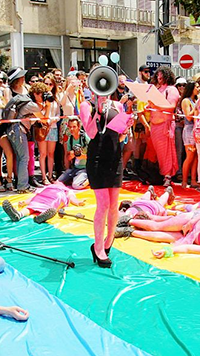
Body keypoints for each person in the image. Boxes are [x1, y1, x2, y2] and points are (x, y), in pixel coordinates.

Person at [80, 83, 128, 269]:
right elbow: (91, 133)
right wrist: (98, 113)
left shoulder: (118, 105)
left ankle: (109, 240)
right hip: (97, 159)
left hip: (115, 158)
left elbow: (121, 137)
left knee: (114, 205)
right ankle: (98, 247)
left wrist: (126, 128)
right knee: (103, 204)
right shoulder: (87, 106)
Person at [6, 78, 50, 192]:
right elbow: (44, 119)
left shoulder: (27, 101)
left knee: (20, 158)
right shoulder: (31, 105)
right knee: (24, 158)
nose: (44, 97)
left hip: (14, 130)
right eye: (42, 94)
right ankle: (23, 186)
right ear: (35, 94)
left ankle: (21, 184)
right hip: (18, 131)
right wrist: (48, 106)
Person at [148, 66, 180, 188]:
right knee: (158, 153)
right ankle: (160, 175)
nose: (159, 77)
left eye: (161, 75)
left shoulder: (171, 90)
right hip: (154, 125)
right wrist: (150, 106)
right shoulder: (157, 89)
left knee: (166, 152)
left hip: (164, 125)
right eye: (157, 75)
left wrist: (156, 106)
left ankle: (168, 176)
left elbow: (171, 106)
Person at [1, 181, 86, 223]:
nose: (57, 182)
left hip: (55, 198)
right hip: (43, 197)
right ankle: (18, 215)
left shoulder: (66, 190)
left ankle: (40, 215)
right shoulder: (47, 187)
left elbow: (72, 198)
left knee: (36, 206)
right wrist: (25, 202)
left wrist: (78, 202)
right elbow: (34, 197)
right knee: (32, 205)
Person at [57, 117, 90, 189]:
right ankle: (76, 178)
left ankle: (90, 179)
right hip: (75, 168)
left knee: (76, 185)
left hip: (85, 168)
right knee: (58, 183)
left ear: (79, 127)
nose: (72, 129)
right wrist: (71, 156)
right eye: (70, 127)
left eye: (74, 127)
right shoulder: (70, 139)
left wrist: (83, 156)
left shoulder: (85, 138)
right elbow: (68, 157)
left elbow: (94, 155)